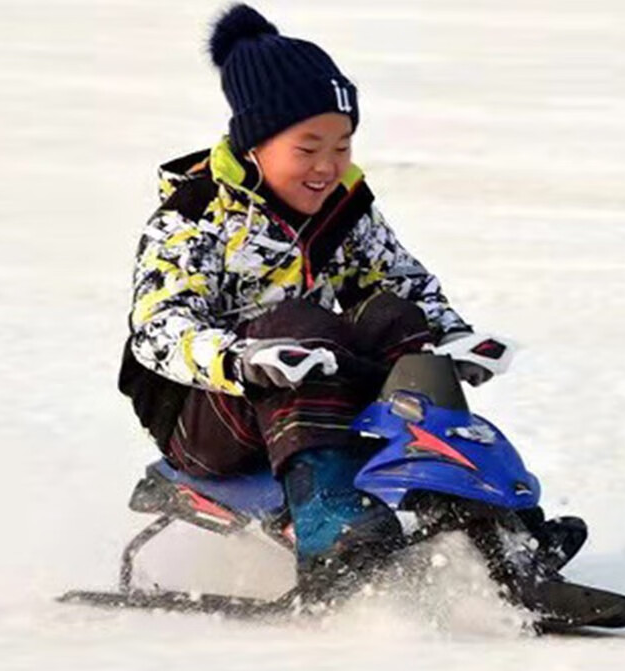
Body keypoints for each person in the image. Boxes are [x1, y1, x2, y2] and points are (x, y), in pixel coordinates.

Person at [119, 4, 492, 571]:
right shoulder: (195, 218)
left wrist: (451, 341)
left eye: (341, 146)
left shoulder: (342, 208)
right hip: (210, 413)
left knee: (391, 315)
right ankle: (329, 523)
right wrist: (243, 359)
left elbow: (399, 281)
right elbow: (158, 329)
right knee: (302, 326)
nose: (327, 166)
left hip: (317, 385)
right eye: (307, 148)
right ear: (254, 145)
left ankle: (478, 516)